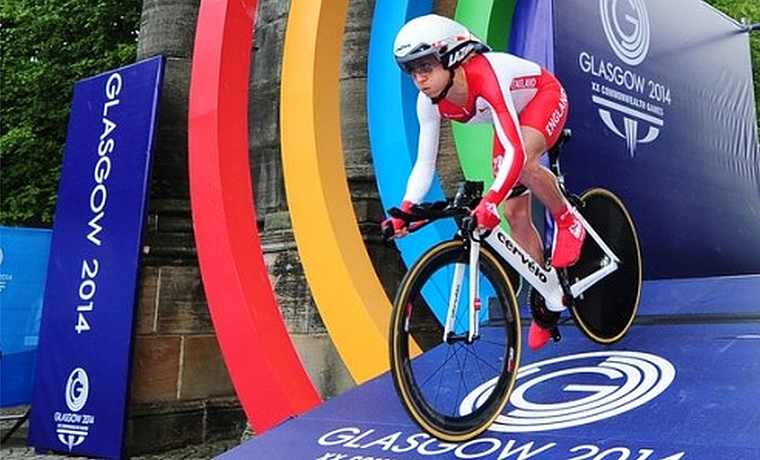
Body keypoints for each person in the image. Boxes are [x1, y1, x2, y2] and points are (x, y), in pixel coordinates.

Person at [383, 14, 586, 351]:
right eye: (411, 69)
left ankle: (569, 220)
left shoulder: (484, 74)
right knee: (514, 213)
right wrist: (405, 210)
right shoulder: (428, 102)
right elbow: (424, 162)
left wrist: (487, 201)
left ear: (451, 57)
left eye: (426, 66)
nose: (420, 78)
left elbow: (516, 152)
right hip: (509, 117)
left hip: (543, 98)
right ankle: (547, 295)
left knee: (519, 167)